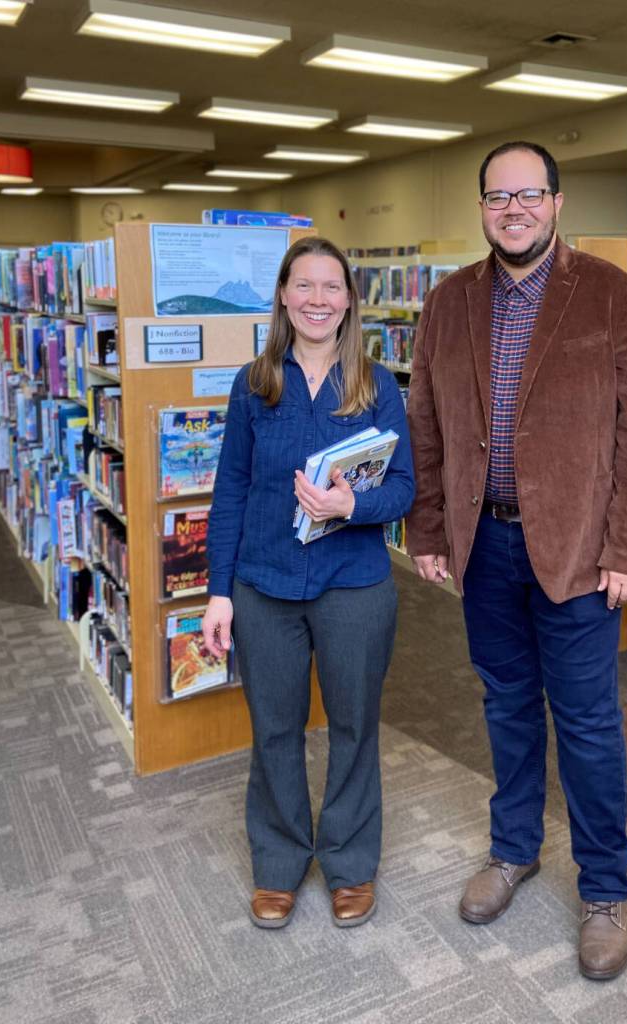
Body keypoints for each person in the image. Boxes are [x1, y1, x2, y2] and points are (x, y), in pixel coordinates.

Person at [405, 142, 627, 980]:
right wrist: (429, 531)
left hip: (581, 554)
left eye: (527, 195)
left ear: (556, 202)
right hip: (484, 548)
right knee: (507, 706)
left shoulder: (609, 295)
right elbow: (426, 425)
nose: (511, 209)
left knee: (587, 725)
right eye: (495, 197)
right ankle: (512, 849)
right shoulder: (448, 302)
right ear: (480, 208)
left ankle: (603, 891)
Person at [202, 236, 414, 931]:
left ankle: (350, 864)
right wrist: (218, 591)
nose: (318, 299)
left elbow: (406, 489)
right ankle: (279, 866)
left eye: (332, 287)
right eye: (304, 285)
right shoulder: (254, 382)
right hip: (263, 585)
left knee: (353, 727)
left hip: (353, 584)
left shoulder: (377, 386)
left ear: (350, 299)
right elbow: (230, 489)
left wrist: (353, 506)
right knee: (274, 730)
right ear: (284, 296)